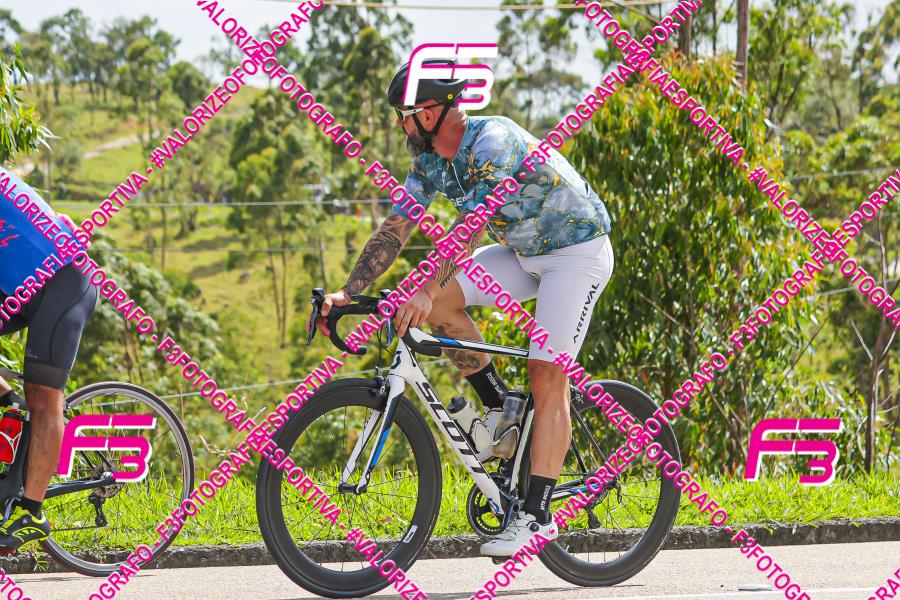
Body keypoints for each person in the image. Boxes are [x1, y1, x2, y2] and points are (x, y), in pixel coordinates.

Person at [313, 59, 614, 556]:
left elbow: (471, 224)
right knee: (438, 305)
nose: (400, 125)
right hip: (523, 253)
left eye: (404, 115)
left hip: (576, 254)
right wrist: (348, 291)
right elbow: (397, 228)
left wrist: (426, 286)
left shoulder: (493, 140)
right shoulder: (429, 161)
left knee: (546, 373)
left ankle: (538, 518)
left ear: (430, 113)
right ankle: (502, 411)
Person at [0, 168, 96, 550]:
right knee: (26, 400)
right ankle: (10, 403)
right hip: (22, 286)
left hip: (64, 280)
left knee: (42, 391)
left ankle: (32, 511)